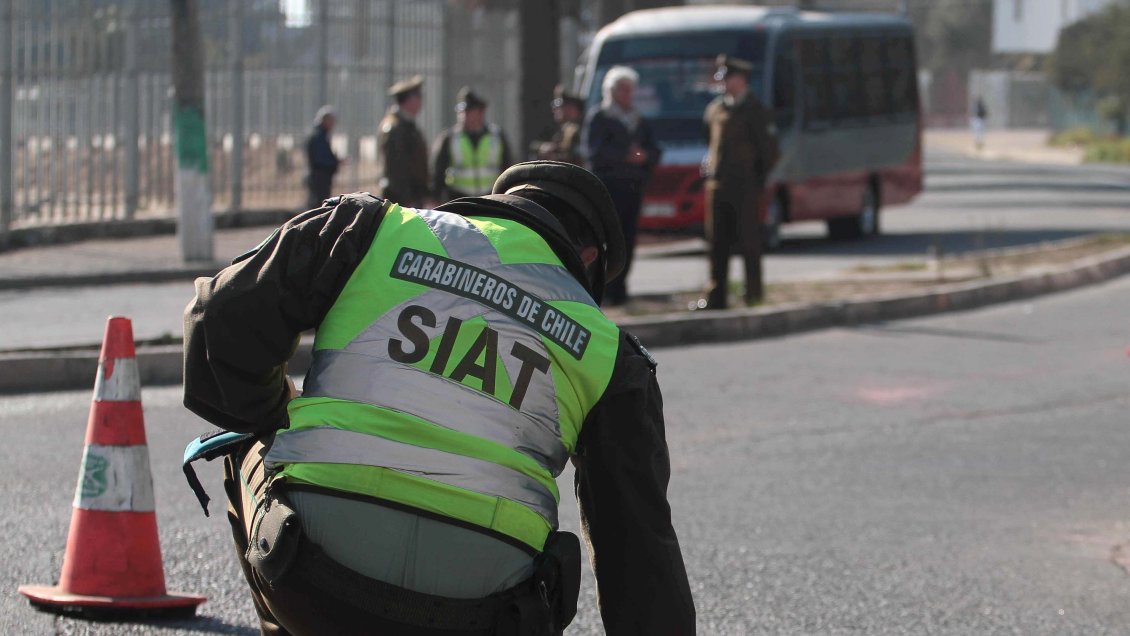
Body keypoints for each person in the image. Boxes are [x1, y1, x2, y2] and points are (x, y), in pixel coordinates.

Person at [182, 160, 696, 635]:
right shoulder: (610, 352)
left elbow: (220, 321)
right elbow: (639, 548)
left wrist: (276, 415)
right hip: (484, 613)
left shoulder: (371, 229)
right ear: (588, 259)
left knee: (246, 437)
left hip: (311, 577)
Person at [699, 55, 779, 309]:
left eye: (728, 77)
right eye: (722, 77)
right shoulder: (715, 109)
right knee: (717, 244)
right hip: (718, 186)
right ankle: (716, 295)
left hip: (745, 188)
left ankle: (753, 294)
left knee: (749, 242)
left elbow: (769, 152)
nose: (723, 82)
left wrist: (755, 181)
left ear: (742, 79)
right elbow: (709, 142)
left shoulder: (756, 110)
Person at [583, 65, 660, 306]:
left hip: (632, 188)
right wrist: (624, 155)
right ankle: (603, 289)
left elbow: (655, 150)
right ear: (612, 91)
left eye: (631, 89)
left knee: (627, 240)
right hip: (608, 189)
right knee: (606, 240)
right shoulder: (601, 117)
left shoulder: (639, 120)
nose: (628, 94)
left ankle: (621, 289)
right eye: (623, 89)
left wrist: (644, 156)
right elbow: (595, 152)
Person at [431, 87, 514, 201]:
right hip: (458, 199)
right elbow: (438, 172)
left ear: (480, 113)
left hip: (491, 197)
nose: (464, 115)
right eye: (462, 112)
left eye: (469, 112)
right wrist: (436, 198)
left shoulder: (497, 136)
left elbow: (508, 167)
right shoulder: (449, 138)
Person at [377, 75, 431, 208]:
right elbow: (396, 168)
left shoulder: (407, 125)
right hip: (400, 199)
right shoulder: (395, 128)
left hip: (411, 197)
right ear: (409, 100)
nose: (421, 102)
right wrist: (407, 200)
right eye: (418, 97)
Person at [534, 84, 585, 166]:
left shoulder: (578, 131)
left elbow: (577, 160)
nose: (555, 109)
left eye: (559, 105)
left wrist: (556, 158)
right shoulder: (565, 130)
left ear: (573, 108)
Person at [304, 105, 342, 209]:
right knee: (317, 206)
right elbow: (321, 159)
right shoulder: (318, 136)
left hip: (319, 177)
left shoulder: (320, 134)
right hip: (319, 177)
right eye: (331, 121)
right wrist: (335, 162)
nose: (333, 124)